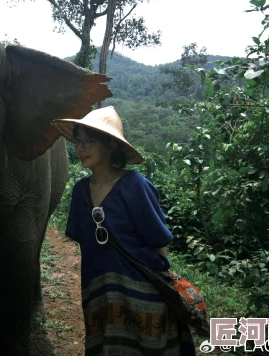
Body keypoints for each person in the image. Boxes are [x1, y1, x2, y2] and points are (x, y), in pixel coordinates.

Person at [51, 106, 195, 356]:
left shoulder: (135, 185)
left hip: (142, 297)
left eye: (89, 141)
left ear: (111, 145)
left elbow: (158, 242)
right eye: (78, 141)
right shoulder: (80, 192)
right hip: (99, 296)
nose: (81, 148)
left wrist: (165, 281)